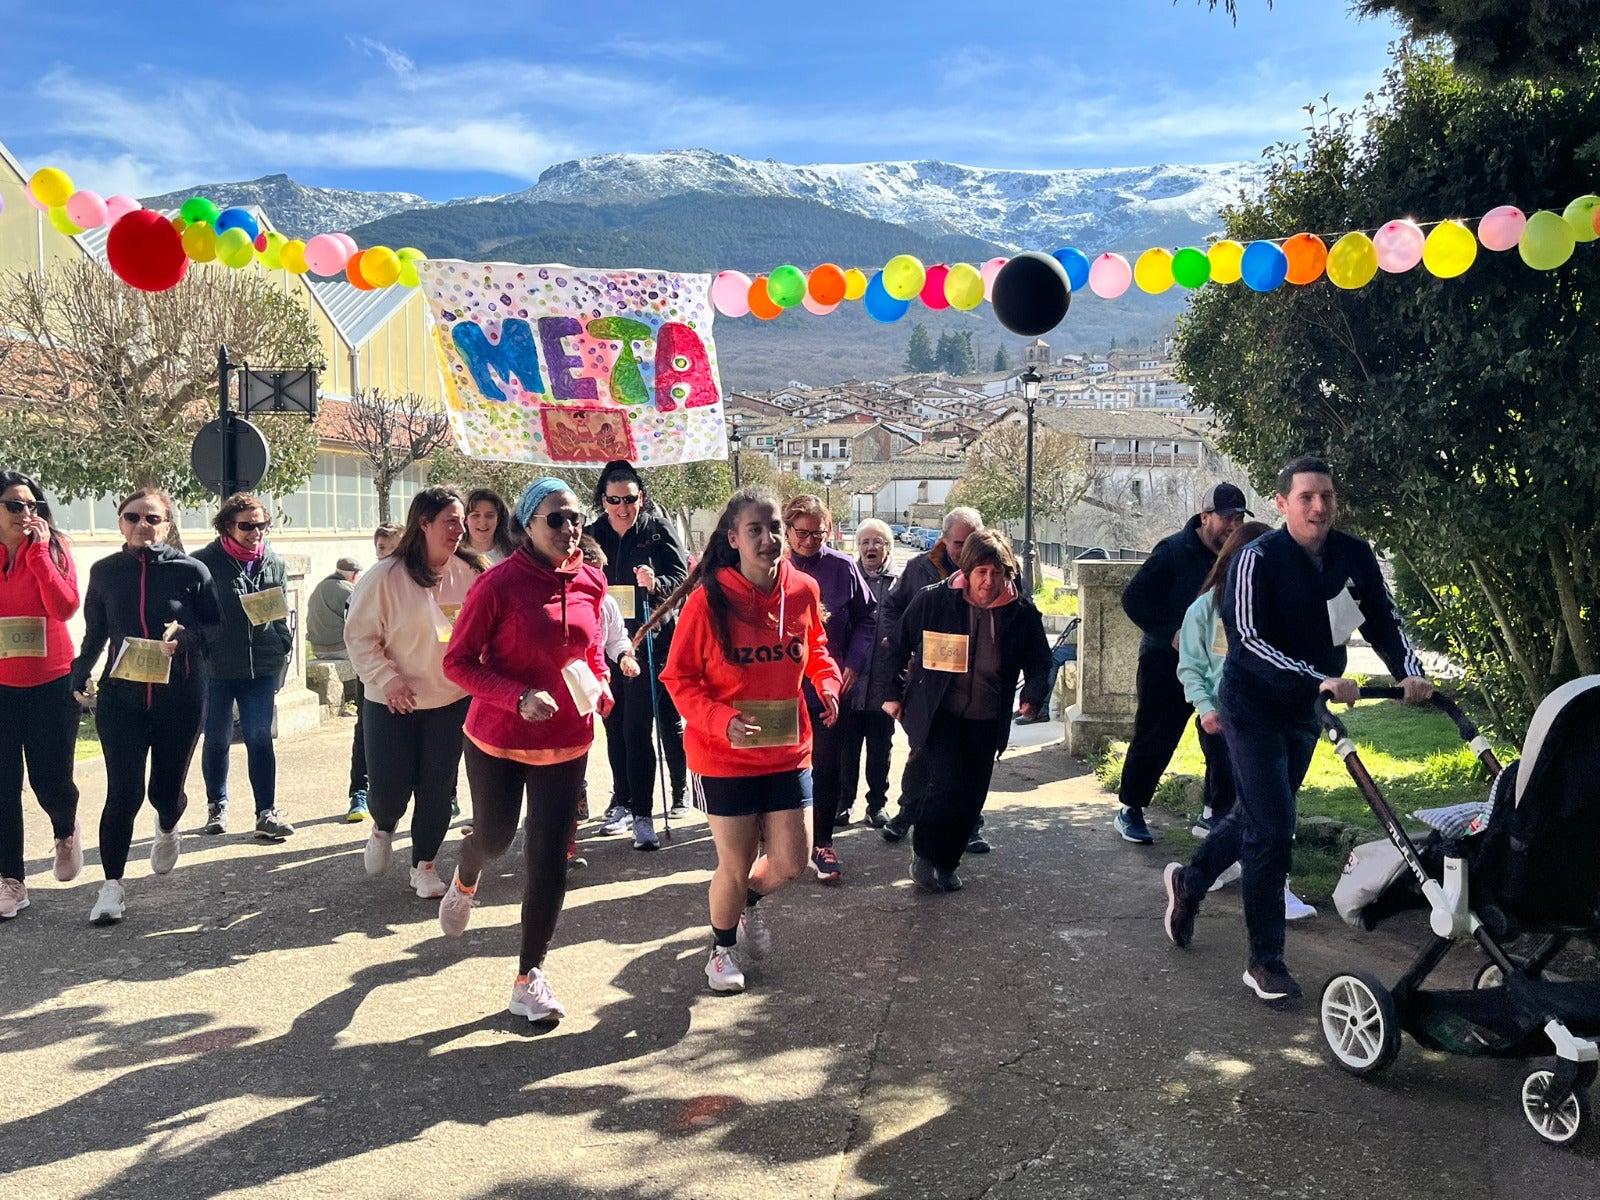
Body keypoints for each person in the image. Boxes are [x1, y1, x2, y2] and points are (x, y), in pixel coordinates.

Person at [1163, 457, 1432, 1004]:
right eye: (1306, 497)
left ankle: (1190, 882)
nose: (1318, 506)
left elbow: (1383, 619)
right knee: (1273, 826)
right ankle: (1265, 962)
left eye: (1327, 497)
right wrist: (1320, 679)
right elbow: (1249, 644)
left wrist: (1409, 670)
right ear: (1283, 504)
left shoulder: (1354, 556)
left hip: (1305, 711)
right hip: (1253, 705)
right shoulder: (1255, 561)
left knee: (1257, 814)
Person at [655, 486, 842, 993]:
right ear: (733, 538)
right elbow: (678, 679)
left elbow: (816, 646)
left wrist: (826, 682)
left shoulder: (802, 589)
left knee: (790, 863)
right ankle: (720, 949)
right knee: (734, 865)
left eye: (774, 527)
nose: (767, 539)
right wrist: (720, 719)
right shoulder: (705, 602)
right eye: (754, 530)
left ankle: (747, 904)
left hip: (787, 748)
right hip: (725, 757)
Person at [438, 479, 611, 1024]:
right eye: (556, 519)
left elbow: (593, 655)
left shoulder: (593, 581)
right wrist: (517, 696)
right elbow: (458, 663)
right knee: (495, 835)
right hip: (498, 738)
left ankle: (528, 976)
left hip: (566, 743)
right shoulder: (497, 584)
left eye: (576, 518)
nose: (570, 528)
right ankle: (468, 870)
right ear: (528, 524)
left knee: (548, 860)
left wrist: (601, 688)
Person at [71, 489, 221, 925]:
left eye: (152, 518)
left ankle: (170, 822)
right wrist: (79, 672)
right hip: (123, 699)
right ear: (120, 522)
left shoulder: (192, 571)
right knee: (124, 794)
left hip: (181, 697)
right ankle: (112, 886)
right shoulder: (104, 572)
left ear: (167, 524)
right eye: (133, 516)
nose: (142, 525)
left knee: (162, 793)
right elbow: (95, 632)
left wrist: (187, 639)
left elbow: (215, 628)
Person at [873, 529, 1050, 893]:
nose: (988, 581)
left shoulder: (1021, 612)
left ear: (1007, 573)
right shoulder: (934, 601)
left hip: (988, 716)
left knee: (972, 795)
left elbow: (1039, 661)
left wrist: (1032, 694)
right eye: (981, 572)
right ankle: (925, 853)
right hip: (941, 711)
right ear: (966, 571)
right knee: (947, 785)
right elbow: (896, 646)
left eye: (996, 572)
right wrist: (891, 693)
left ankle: (948, 861)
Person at [1165, 521, 1317, 919]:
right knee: (1265, 811)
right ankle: (1267, 888)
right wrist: (1206, 707)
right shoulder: (1204, 610)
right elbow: (1191, 666)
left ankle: (1197, 877)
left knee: (1261, 810)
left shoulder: (1282, 606)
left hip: (1285, 718)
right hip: (1230, 719)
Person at [345, 487, 485, 899]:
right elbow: (359, 637)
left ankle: (424, 865)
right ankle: (382, 827)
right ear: (422, 523)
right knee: (389, 790)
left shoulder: (471, 572)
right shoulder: (384, 576)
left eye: (463, 521)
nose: (460, 530)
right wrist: (388, 679)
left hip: (450, 699)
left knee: (438, 787)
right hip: (392, 700)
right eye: (451, 521)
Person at [1113, 482, 1250, 845]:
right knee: (1156, 736)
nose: (1233, 526)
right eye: (1226, 519)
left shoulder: (1239, 554)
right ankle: (1131, 807)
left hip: (1217, 663)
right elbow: (1133, 598)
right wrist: (1171, 631)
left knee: (1220, 738)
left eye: (1238, 518)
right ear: (1205, 517)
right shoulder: (1173, 551)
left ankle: (1213, 812)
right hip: (1165, 659)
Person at [584, 460, 690, 849]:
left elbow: (683, 579)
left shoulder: (658, 531)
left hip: (649, 641)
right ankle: (623, 800)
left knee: (637, 728)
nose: (623, 507)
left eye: (630, 499)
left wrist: (656, 581)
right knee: (614, 726)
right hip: (604, 643)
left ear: (641, 498)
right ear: (603, 500)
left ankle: (643, 812)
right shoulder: (592, 535)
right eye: (615, 500)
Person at [0, 471, 82, 920]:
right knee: (2, 787)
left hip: (52, 682)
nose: (25, 514)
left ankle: (65, 829)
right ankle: (11, 880)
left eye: (32, 506)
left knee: (49, 781)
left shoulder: (52, 548)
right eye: (15, 506)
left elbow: (65, 607)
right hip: (1, 686)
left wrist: (36, 554)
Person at [782, 495, 875, 883]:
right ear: (786, 530)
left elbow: (868, 618)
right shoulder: (770, 566)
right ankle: (778, 843)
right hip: (779, 686)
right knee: (781, 765)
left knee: (827, 764)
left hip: (828, 684)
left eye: (817, 533)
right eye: (801, 532)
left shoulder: (843, 567)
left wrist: (852, 663)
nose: (808, 541)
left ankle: (822, 842)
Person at [193, 493, 296, 841]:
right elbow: (192, 616)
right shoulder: (204, 563)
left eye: (261, 524)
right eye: (246, 526)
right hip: (218, 667)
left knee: (259, 737)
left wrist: (282, 645)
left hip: (261, 667)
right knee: (218, 738)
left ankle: (266, 812)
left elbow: (280, 611)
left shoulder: (274, 562)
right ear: (226, 526)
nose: (255, 532)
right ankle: (216, 806)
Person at [878, 507, 982, 845]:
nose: (963, 551)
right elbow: (893, 607)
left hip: (974, 680)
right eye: (957, 543)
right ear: (943, 538)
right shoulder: (919, 567)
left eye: (970, 543)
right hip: (929, 677)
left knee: (969, 755)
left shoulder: (992, 569)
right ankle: (908, 812)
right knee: (923, 749)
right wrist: (901, 638)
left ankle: (969, 825)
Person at [572, 534, 642, 870]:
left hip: (596, 686)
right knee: (565, 761)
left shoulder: (607, 601)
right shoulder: (562, 601)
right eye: (590, 574)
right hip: (562, 688)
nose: (597, 583)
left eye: (601, 574)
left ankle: (567, 833)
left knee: (585, 749)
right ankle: (562, 837)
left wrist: (625, 656)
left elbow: (616, 638)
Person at [838, 519, 898, 829]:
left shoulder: (899, 583)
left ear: (887, 547)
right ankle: (843, 803)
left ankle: (877, 806)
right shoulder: (847, 578)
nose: (870, 548)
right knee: (847, 749)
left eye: (877, 542)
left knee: (880, 749)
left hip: (883, 684)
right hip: (850, 683)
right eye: (865, 542)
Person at [345, 526, 402, 822]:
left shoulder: (415, 583)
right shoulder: (367, 582)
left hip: (412, 675)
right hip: (372, 674)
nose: (386, 554)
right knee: (364, 730)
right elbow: (356, 634)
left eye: (393, 548)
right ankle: (359, 792)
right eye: (381, 548)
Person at [306, 557, 360, 659]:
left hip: (317, 649)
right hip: (341, 649)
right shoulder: (349, 589)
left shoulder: (319, 586)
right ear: (354, 575)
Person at [465, 488, 517, 564]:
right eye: (476, 515)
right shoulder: (455, 556)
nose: (483, 522)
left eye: (489, 516)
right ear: (465, 519)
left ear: (498, 520)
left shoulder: (512, 555)